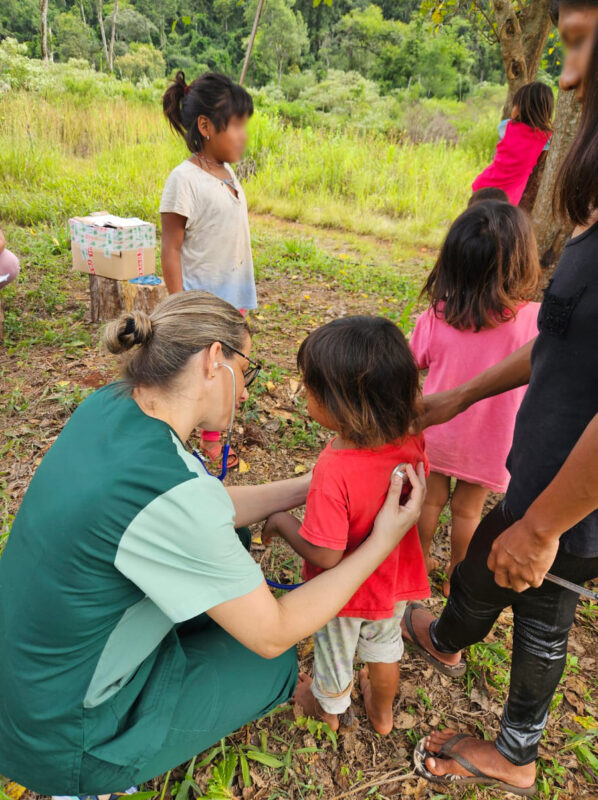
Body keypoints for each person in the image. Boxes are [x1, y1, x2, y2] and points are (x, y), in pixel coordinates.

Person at [0, 291, 426, 796]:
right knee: (269, 662)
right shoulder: (168, 492)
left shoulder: (110, 406)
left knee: (235, 532)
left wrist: (317, 484)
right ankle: (93, 779)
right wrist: (383, 539)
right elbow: (274, 632)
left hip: (28, 680)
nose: (245, 392)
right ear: (213, 360)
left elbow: (205, 505)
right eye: (245, 370)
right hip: (66, 735)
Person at [404, 3, 598, 795]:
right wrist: (457, 400)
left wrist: (547, 524)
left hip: (570, 503)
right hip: (531, 474)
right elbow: (557, 342)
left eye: (582, 45)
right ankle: (448, 636)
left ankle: (517, 753)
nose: (569, 76)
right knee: (486, 564)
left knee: (539, 609)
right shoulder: (586, 223)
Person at [262, 317, 429, 735]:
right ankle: (382, 712)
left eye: (309, 388)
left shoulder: (334, 467)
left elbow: (327, 553)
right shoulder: (411, 442)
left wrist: (283, 523)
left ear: (342, 404)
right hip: (393, 582)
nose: (302, 394)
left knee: (334, 653)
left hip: (345, 594)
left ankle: (328, 712)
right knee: (385, 648)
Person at [410, 202, 540, 593]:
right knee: (468, 511)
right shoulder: (534, 321)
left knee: (428, 503)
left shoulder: (437, 316)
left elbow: (412, 360)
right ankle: (456, 575)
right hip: (491, 442)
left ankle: (417, 566)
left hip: (437, 431)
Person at [160, 71, 256, 469]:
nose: (243, 135)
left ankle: (216, 438)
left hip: (234, 297)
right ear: (205, 126)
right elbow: (171, 246)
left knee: (233, 366)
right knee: (208, 373)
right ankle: (207, 447)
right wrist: (180, 303)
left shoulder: (228, 173)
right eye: (236, 125)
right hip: (204, 301)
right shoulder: (184, 180)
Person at [472, 82, 554, 205]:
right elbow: (539, 160)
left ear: (520, 108)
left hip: (484, 186)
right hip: (508, 199)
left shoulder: (505, 126)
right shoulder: (546, 138)